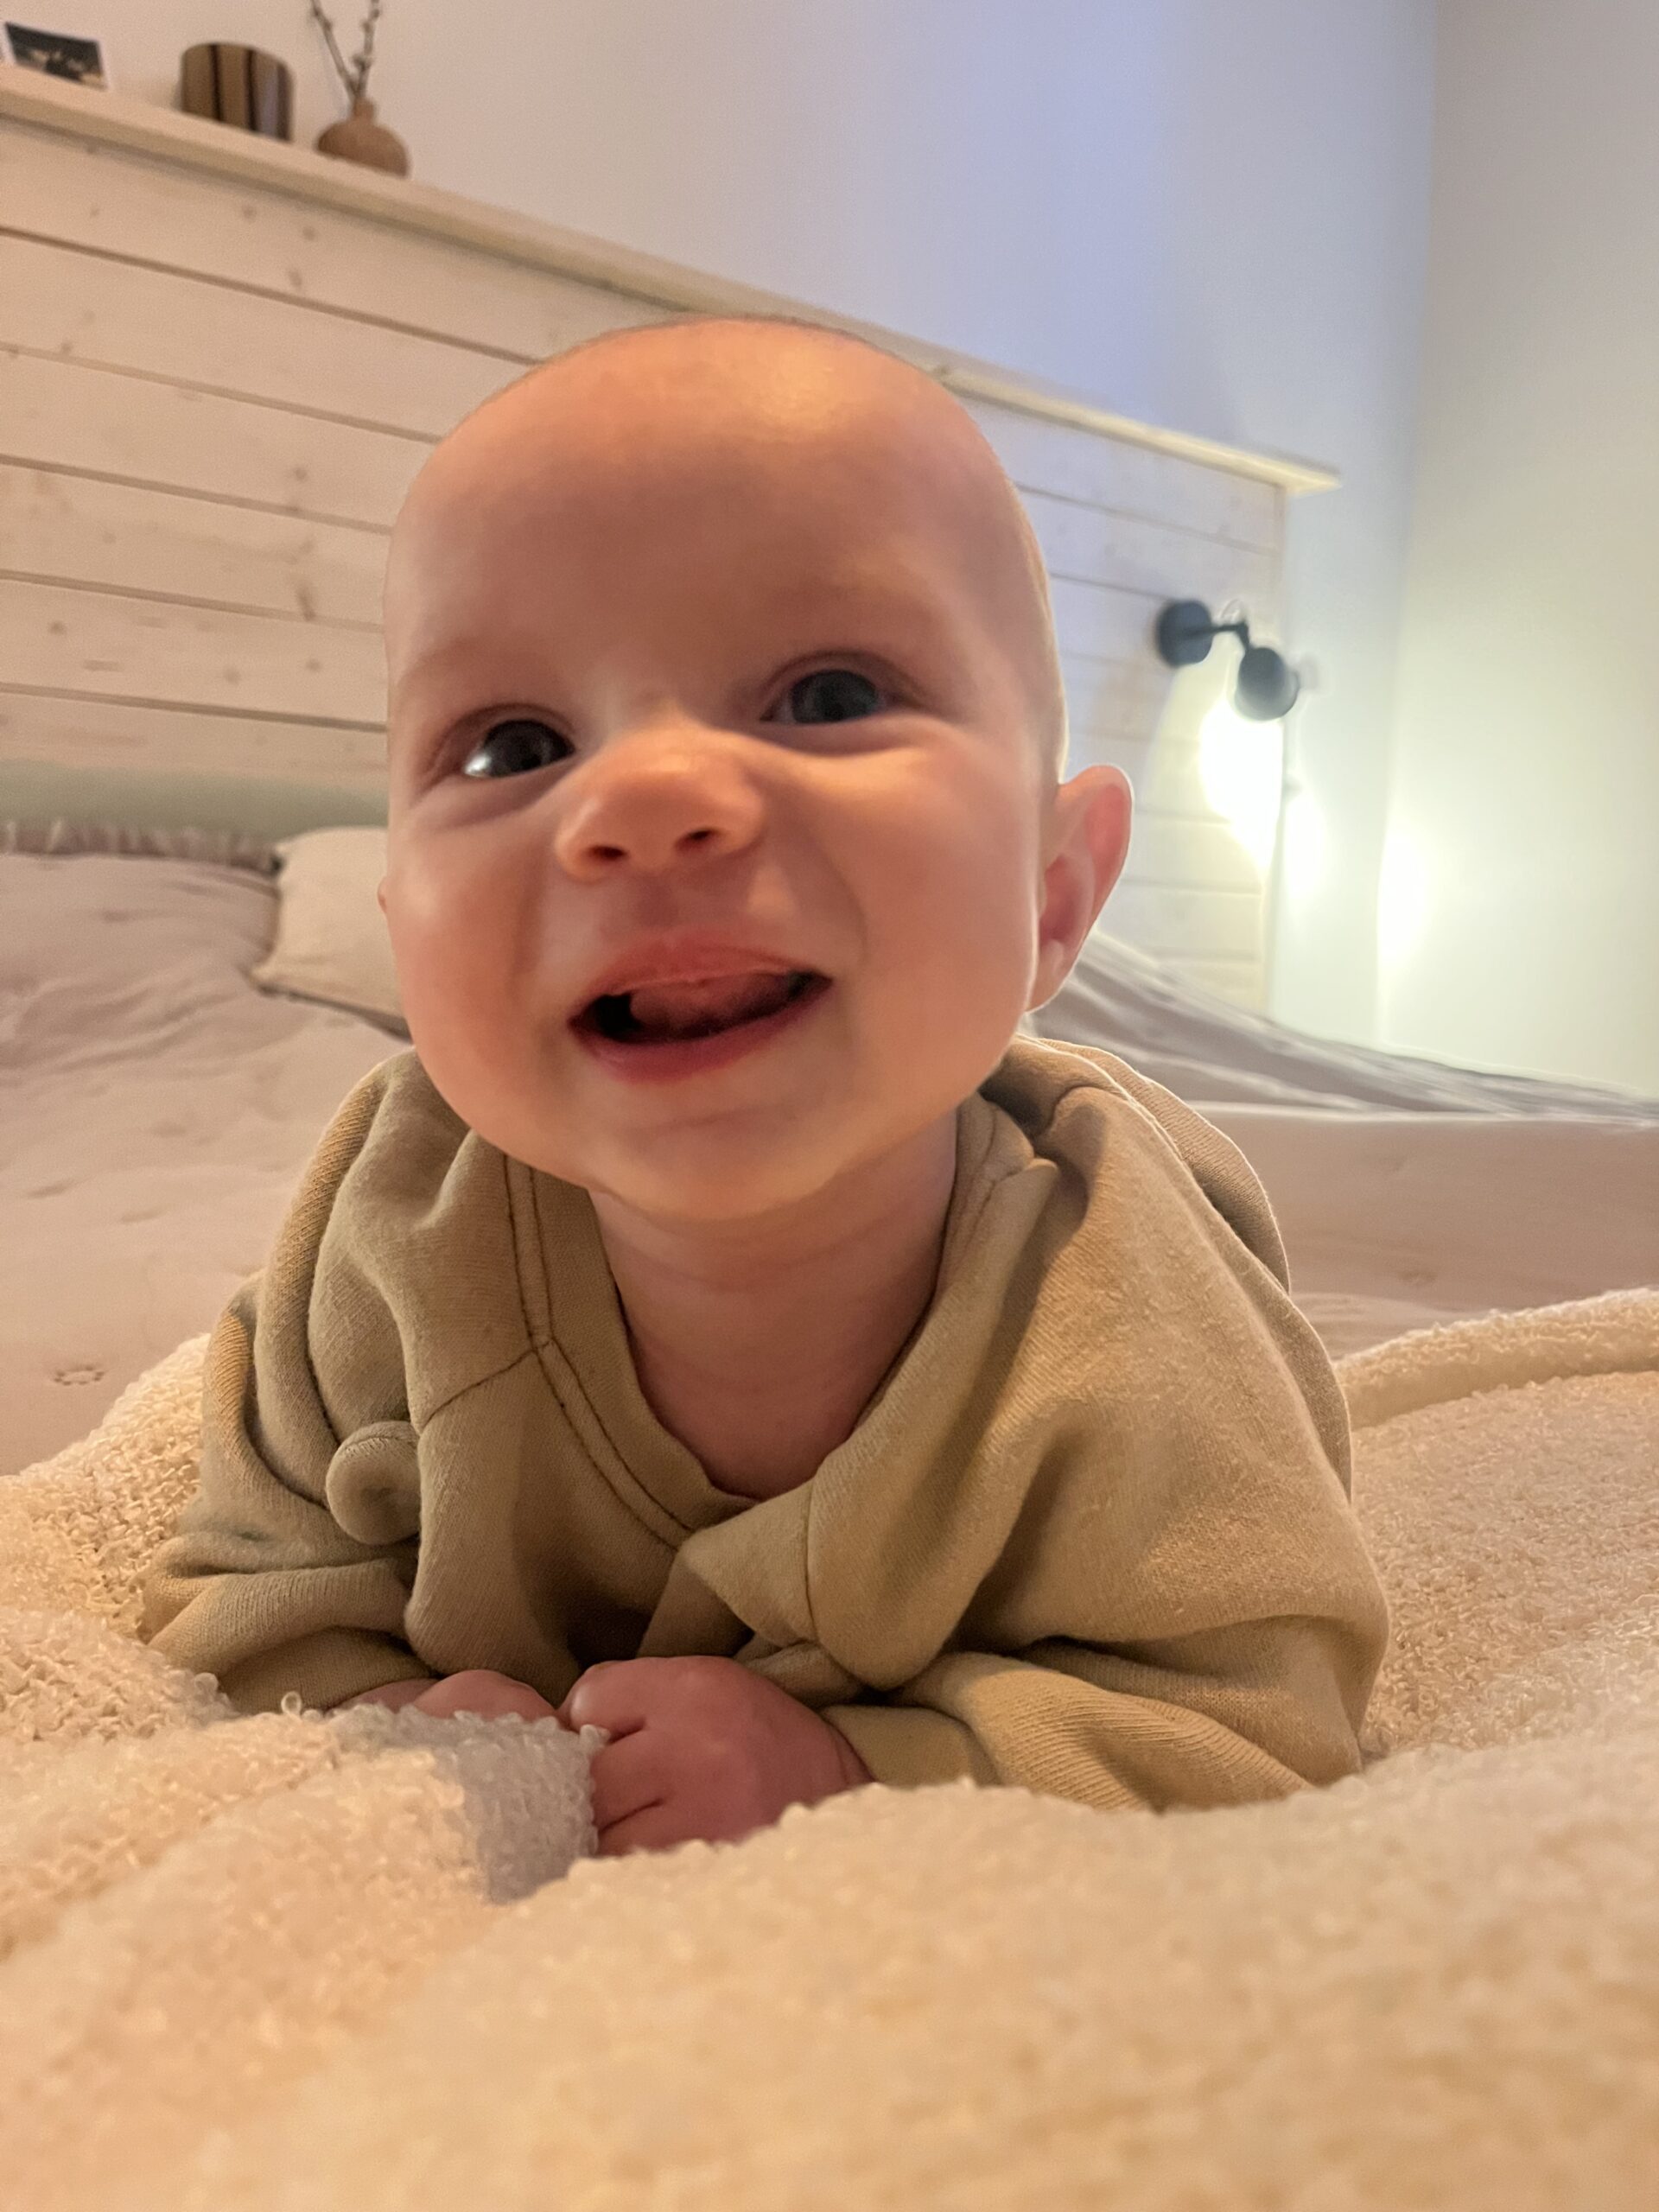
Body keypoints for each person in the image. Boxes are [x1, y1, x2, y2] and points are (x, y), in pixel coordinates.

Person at [141, 317, 1389, 1857]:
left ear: (1056, 891)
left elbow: (1255, 1724)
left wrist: (860, 1777)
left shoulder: (1127, 1302)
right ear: (405, 940)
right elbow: (248, 1596)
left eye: (829, 694)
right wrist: (384, 1715)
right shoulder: (393, 1229)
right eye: (513, 744)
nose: (646, 799)